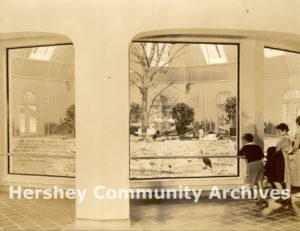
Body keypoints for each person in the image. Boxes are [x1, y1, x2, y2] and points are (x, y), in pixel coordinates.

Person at [238, 133, 268, 206]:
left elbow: (239, 154)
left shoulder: (245, 147)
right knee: (260, 182)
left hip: (252, 165)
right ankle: (262, 198)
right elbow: (261, 155)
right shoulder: (257, 146)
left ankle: (257, 197)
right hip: (260, 164)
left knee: (252, 182)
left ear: (245, 140)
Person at [274, 123, 293, 204]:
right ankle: (288, 197)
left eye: (279, 131)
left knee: (276, 178)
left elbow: (277, 150)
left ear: (284, 130)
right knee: (287, 178)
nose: (278, 133)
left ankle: (283, 197)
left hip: (281, 158)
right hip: (287, 158)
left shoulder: (283, 138)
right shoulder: (289, 137)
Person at [292, 116, 300, 197]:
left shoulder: (298, 133)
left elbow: (296, 146)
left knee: (299, 171)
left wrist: (292, 151)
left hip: (299, 154)